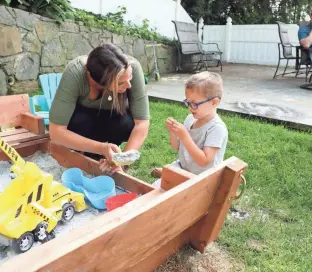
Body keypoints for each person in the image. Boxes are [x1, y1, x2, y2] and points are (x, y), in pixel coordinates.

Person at [49, 44, 150, 173]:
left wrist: (122, 161)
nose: (129, 85)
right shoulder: (75, 73)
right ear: (101, 82)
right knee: (80, 120)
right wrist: (100, 147)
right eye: (120, 83)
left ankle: (109, 153)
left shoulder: (132, 67)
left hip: (113, 121)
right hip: (83, 123)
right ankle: (87, 151)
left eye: (129, 79)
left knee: (127, 124)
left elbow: (142, 124)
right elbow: (56, 131)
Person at [152, 72, 228, 184]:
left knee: (163, 193)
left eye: (194, 103)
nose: (190, 108)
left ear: (214, 102)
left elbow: (204, 161)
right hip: (183, 168)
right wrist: (173, 132)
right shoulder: (190, 119)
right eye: (188, 102)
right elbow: (176, 147)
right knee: (154, 187)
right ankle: (168, 173)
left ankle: (166, 173)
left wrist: (184, 136)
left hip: (201, 179)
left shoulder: (217, 128)